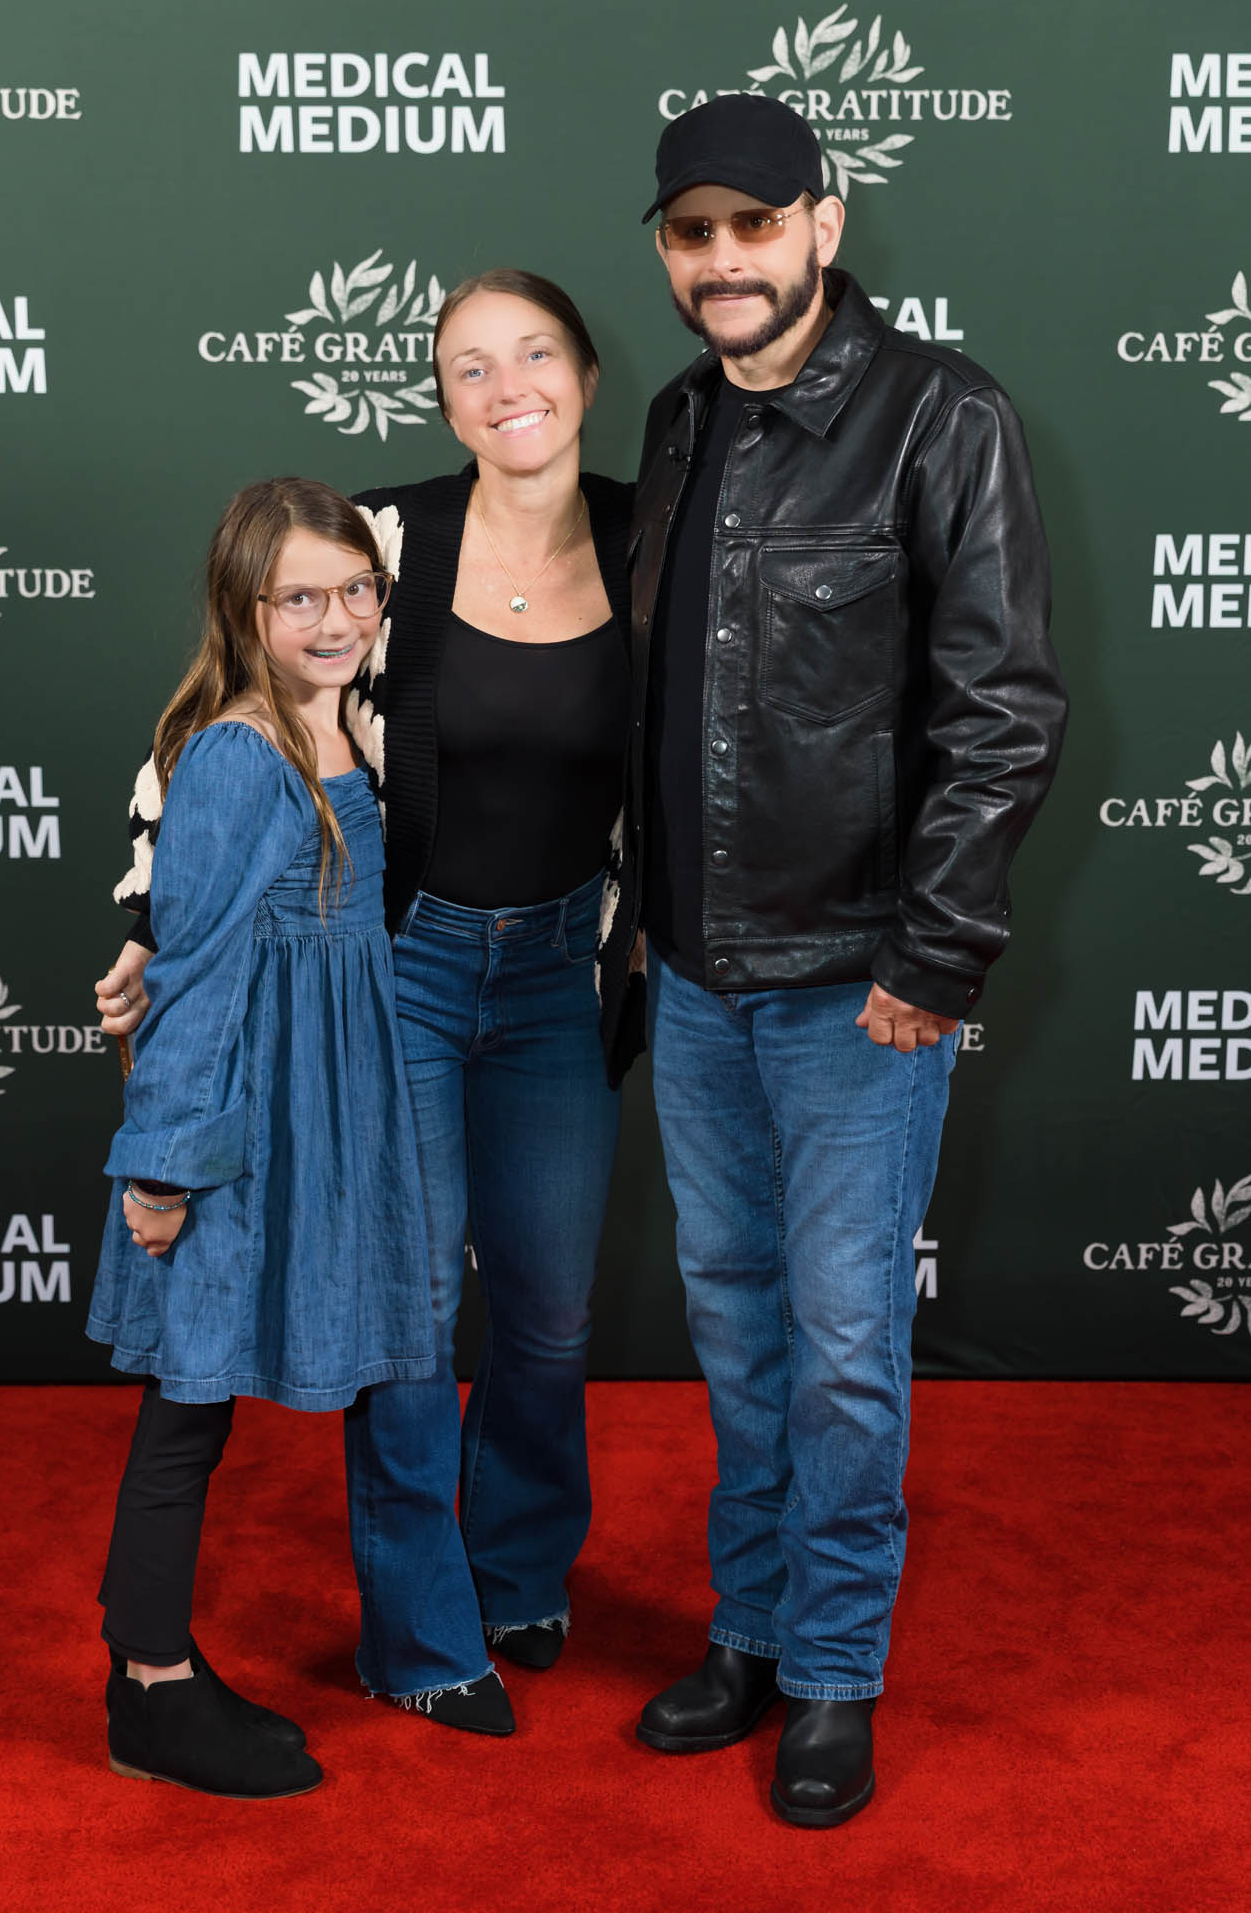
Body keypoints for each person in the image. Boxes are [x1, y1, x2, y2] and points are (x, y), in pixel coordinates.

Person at [603, 96, 1068, 1825]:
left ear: (824, 221)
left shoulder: (940, 415)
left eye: (754, 224)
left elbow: (1002, 711)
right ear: (666, 251)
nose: (723, 259)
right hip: (695, 976)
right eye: (691, 233)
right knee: (735, 1332)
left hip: (857, 984)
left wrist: (934, 958)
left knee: (848, 1345)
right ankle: (747, 1628)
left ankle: (831, 1670)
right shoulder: (674, 420)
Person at [97, 271, 637, 1737]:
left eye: (535, 354)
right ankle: (422, 1638)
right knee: (410, 1310)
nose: (508, 388)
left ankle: (516, 1577)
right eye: (470, 366)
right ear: (442, 398)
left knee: (548, 1309)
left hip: (556, 973)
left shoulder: (647, 539)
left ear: (587, 375)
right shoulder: (386, 540)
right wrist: (153, 921)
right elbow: (209, 735)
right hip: (401, 967)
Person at [89, 478, 435, 1798]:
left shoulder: (343, 722)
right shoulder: (242, 754)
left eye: (356, 589)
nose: (337, 618)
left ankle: (156, 1660)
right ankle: (148, 1688)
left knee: (203, 1404)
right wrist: (165, 1169)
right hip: (234, 1128)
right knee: (186, 1408)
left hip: (315, 1110)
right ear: (245, 608)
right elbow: (195, 981)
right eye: (302, 597)